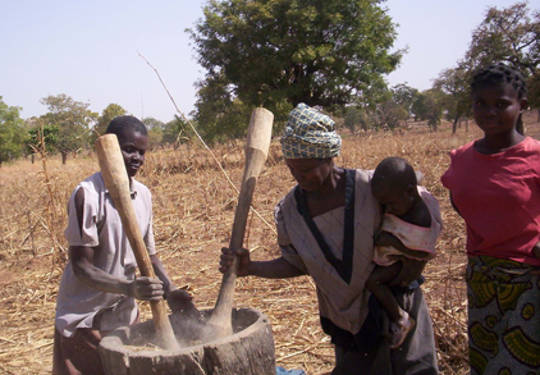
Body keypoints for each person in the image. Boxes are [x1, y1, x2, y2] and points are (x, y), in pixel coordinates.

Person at [220, 103, 438, 375]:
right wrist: (250, 268)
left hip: (398, 309)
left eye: (308, 168)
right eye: (293, 169)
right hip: (346, 321)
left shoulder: (373, 189)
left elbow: (422, 211)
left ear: (329, 156)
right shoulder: (290, 212)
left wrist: (412, 265)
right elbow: (297, 264)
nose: (300, 177)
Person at [53, 116, 195, 375]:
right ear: (108, 150)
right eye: (128, 149)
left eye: (141, 152)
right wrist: (128, 287)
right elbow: (81, 267)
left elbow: (149, 255)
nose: (136, 158)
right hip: (85, 319)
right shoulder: (88, 194)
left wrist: (169, 289)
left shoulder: (143, 195)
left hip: (123, 317)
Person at [441, 63, 540, 375]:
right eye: (480, 103)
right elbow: (459, 201)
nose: (489, 112)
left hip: (530, 277)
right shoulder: (462, 159)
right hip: (483, 278)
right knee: (485, 361)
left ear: (521, 106)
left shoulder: (535, 157)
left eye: (501, 104)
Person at [367, 157, 442, 349]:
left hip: (403, 265)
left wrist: (394, 244)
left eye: (391, 205)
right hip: (402, 259)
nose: (388, 210)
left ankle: (400, 318)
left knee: (374, 281)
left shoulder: (420, 220)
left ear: (410, 192)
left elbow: (422, 254)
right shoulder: (412, 196)